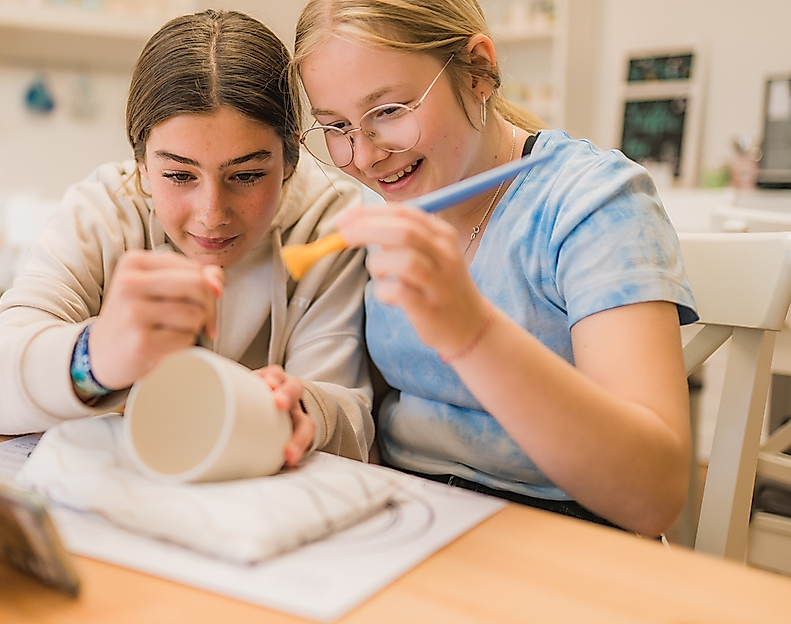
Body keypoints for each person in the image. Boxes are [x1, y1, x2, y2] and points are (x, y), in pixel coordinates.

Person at [291, 0, 697, 535]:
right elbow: (379, 410)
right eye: (335, 126)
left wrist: (471, 331)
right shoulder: (373, 214)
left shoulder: (592, 202)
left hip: (567, 537)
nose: (363, 157)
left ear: (479, 70)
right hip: (406, 518)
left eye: (389, 111)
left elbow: (654, 495)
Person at [0, 9, 374, 466]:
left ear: (290, 158)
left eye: (248, 175)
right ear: (141, 160)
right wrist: (94, 357)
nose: (211, 215)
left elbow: (351, 419)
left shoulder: (331, 224)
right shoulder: (106, 210)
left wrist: (307, 408)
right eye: (177, 174)